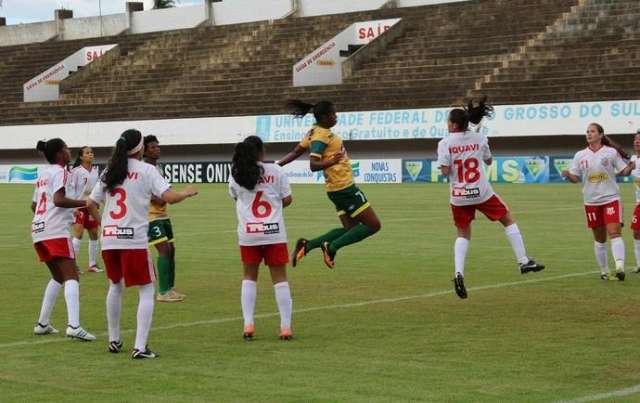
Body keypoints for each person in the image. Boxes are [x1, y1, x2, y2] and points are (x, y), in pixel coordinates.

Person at [87, 129, 198, 359]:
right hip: (133, 239)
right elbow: (169, 197)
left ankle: (114, 340)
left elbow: (90, 203)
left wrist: (105, 224)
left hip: (110, 238)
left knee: (115, 286)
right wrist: (186, 193)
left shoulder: (110, 171)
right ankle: (140, 346)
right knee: (146, 289)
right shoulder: (146, 170)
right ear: (140, 148)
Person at [437, 103, 545, 299]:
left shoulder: (444, 143)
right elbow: (488, 161)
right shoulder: (479, 138)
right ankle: (523, 260)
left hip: (459, 196)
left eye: (448, 122)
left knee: (463, 233)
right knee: (507, 220)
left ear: (453, 125)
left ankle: (459, 273)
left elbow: (445, 171)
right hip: (481, 192)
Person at [278, 100, 381, 269]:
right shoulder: (321, 136)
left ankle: (307, 245)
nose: (336, 116)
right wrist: (332, 161)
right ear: (325, 117)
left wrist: (275, 166)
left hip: (335, 190)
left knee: (350, 229)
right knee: (373, 225)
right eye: (333, 114)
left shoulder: (314, 131)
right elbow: (313, 165)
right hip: (345, 189)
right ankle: (331, 247)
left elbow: (296, 151)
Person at [230, 136, 294, 340]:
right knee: (280, 279)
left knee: (249, 277)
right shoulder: (276, 170)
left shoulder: (236, 174)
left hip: (249, 233)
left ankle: (248, 324)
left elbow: (235, 197)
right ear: (260, 151)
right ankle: (285, 327)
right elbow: (287, 199)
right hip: (274, 231)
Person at [31, 138, 96, 341]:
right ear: (60, 153)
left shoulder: (43, 174)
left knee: (58, 277)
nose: (69, 151)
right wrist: (83, 203)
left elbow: (34, 205)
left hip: (38, 229)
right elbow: (58, 200)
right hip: (55, 231)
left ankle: (42, 324)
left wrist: (69, 212)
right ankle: (74, 326)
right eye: (67, 148)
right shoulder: (60, 172)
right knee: (71, 277)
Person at [562, 123, 633, 281]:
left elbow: (623, 171)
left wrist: (630, 168)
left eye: (592, 131)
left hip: (611, 199)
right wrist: (568, 175)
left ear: (600, 135)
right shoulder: (580, 155)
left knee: (614, 232)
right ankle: (604, 271)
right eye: (587, 131)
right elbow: (576, 178)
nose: (589, 134)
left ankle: (620, 266)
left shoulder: (611, 152)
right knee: (599, 239)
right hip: (591, 202)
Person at [143, 135, 184, 302]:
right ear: (144, 151)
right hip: (150, 216)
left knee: (171, 250)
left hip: (163, 215)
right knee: (164, 250)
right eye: (152, 147)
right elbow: (155, 195)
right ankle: (162, 291)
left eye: (157, 146)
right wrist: (164, 196)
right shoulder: (144, 169)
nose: (157, 149)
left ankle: (170, 287)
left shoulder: (157, 169)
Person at [70, 146, 103, 273]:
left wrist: (97, 201)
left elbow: (97, 189)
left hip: (91, 206)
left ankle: (93, 264)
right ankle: (73, 265)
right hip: (79, 206)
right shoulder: (76, 171)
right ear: (81, 156)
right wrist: (73, 207)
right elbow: (70, 189)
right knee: (78, 234)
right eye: (87, 153)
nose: (90, 154)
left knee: (94, 234)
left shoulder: (95, 170)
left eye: (91, 152)